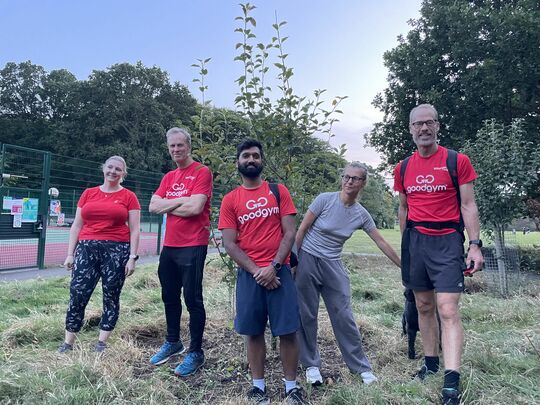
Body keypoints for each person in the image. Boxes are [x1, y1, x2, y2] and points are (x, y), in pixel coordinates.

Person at [394, 104, 484, 405]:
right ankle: (430, 363)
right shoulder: (403, 167)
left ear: (437, 126)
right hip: (416, 241)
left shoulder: (457, 161)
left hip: (447, 240)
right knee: (422, 305)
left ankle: (451, 381)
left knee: (447, 308)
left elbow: (468, 205)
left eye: (428, 123)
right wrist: (406, 244)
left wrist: (474, 244)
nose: (423, 129)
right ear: (410, 129)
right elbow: (404, 207)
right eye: (417, 124)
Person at [295, 162, 401, 386]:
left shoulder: (361, 214)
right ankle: (312, 366)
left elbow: (380, 240)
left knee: (343, 315)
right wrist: (294, 262)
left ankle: (361, 367)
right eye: (346, 177)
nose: (349, 181)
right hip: (307, 259)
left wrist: (402, 265)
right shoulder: (325, 199)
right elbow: (302, 229)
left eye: (355, 178)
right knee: (307, 315)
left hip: (333, 264)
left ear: (363, 183)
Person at [219, 139, 306, 405]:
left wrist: (275, 267)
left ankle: (291, 387)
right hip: (250, 276)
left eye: (256, 155)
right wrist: (258, 271)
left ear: (262, 160)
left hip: (280, 273)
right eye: (246, 156)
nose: (251, 160)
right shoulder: (230, 199)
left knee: (288, 331)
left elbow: (290, 232)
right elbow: (229, 243)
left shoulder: (278, 191)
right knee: (253, 332)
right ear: (238, 162)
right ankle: (258, 387)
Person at [59, 155, 141, 353]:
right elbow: (77, 225)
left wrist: (132, 257)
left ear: (123, 174)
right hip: (86, 249)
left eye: (118, 169)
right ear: (103, 169)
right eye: (110, 167)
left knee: (111, 295)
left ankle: (102, 342)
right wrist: (70, 254)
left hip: (116, 250)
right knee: (78, 293)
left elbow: (135, 229)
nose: (113, 171)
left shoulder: (129, 196)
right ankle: (68, 342)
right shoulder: (88, 193)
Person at [148, 127, 212, 377]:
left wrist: (168, 205)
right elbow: (153, 206)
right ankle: (173, 342)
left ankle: (196, 352)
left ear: (189, 146)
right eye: (172, 146)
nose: (176, 150)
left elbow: (196, 208)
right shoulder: (168, 177)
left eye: (180, 145)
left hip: (193, 245)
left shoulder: (201, 172)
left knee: (193, 300)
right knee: (169, 296)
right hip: (170, 247)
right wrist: (180, 202)